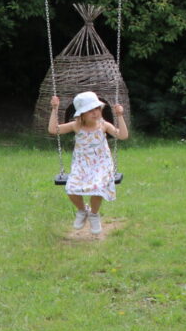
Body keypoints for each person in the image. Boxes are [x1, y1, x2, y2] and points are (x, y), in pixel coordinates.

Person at [48, 91, 128, 235]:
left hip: (101, 164)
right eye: (90, 110)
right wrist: (54, 108)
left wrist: (120, 116)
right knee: (71, 188)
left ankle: (94, 214)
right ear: (82, 114)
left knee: (98, 187)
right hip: (81, 165)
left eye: (97, 108)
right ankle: (82, 210)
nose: (95, 112)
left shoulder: (104, 125)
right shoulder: (76, 126)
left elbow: (123, 135)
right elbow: (53, 130)